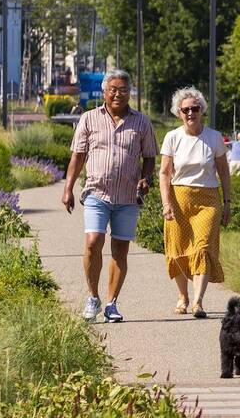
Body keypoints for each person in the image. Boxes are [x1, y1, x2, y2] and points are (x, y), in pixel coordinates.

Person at [61, 70, 157, 323]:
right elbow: (78, 156)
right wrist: (68, 188)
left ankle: (111, 303)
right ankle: (92, 297)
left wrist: (146, 177)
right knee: (93, 242)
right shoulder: (89, 119)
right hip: (97, 192)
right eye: (113, 89)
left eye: (123, 89)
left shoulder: (142, 122)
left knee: (120, 250)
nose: (118, 94)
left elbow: (149, 156)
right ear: (104, 92)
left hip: (128, 197)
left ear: (129, 92)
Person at [158, 87, 231, 319]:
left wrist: (227, 202)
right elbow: (165, 173)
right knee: (178, 250)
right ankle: (183, 296)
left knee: (202, 248)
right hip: (179, 198)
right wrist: (166, 203)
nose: (191, 113)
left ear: (202, 111)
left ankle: (198, 301)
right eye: (186, 110)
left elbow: (224, 171)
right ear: (179, 113)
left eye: (195, 109)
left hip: (208, 200)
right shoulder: (172, 137)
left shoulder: (214, 137)